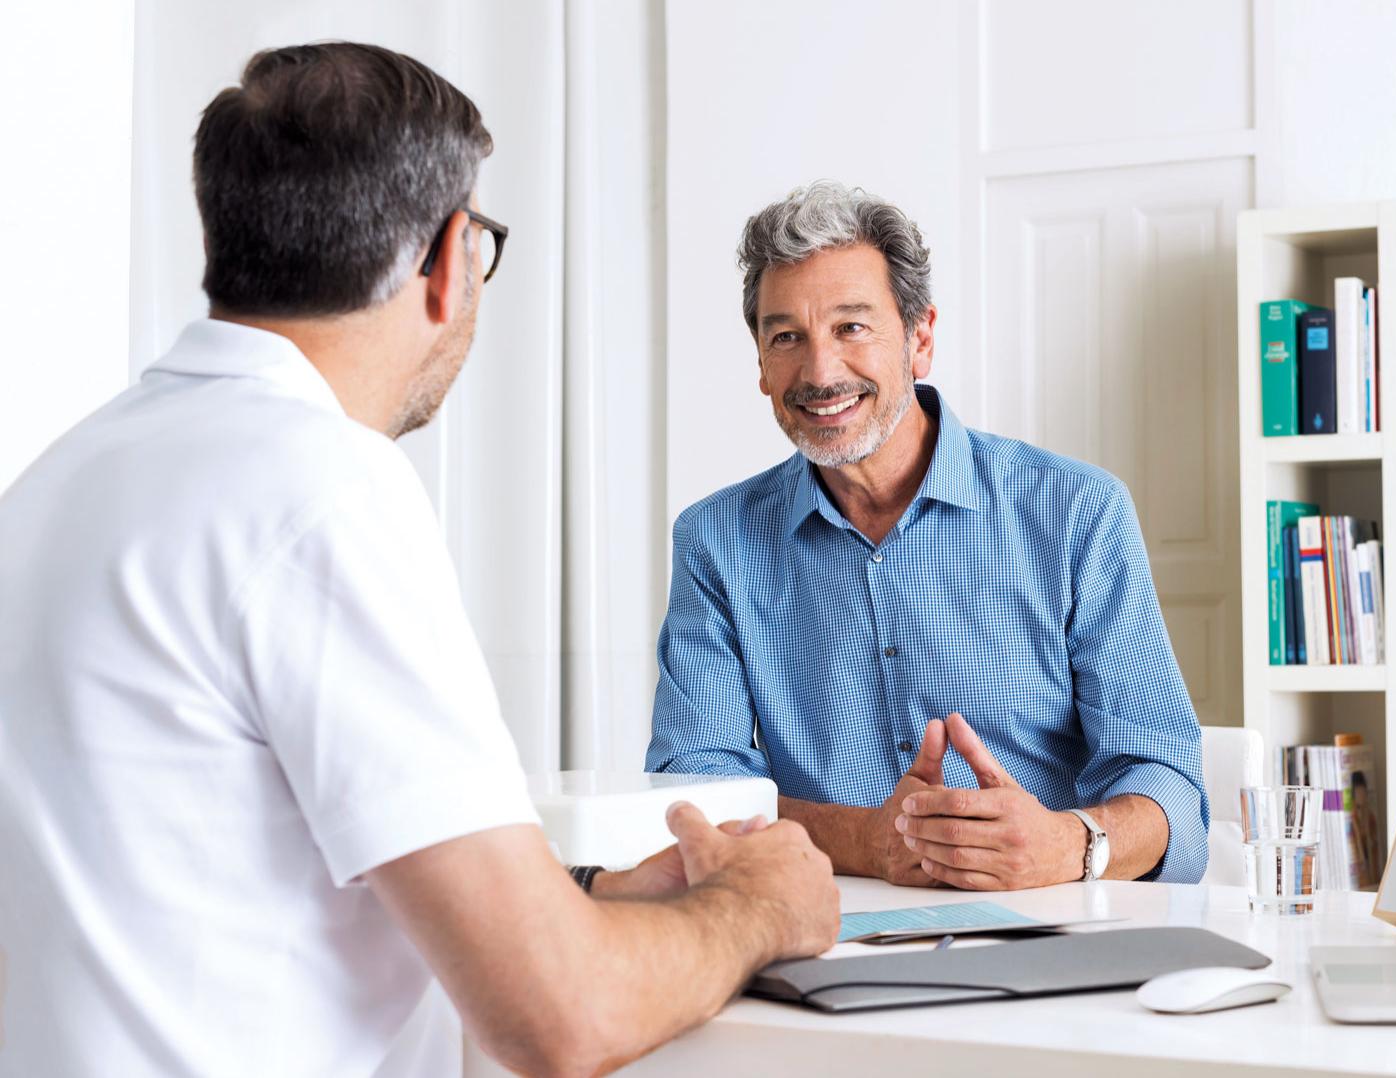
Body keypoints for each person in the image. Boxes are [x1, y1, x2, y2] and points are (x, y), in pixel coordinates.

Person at [0, 43, 836, 1076]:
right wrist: (754, 907)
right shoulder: (322, 490)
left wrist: (577, 900)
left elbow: (209, 874)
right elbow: (560, 1018)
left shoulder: (58, 480)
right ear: (450, 259)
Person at [646, 181, 1209, 889]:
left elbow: (1167, 782)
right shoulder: (714, 542)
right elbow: (694, 786)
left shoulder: (1076, 511)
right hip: (822, 927)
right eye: (786, 336)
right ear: (760, 362)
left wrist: (1068, 845)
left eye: (852, 327)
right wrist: (861, 840)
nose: (820, 373)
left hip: (1050, 929)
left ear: (919, 338)